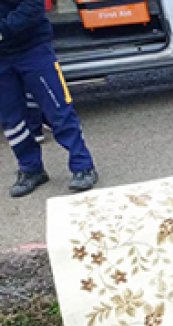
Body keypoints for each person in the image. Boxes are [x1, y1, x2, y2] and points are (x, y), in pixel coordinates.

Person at [1, 0, 98, 198]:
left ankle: (83, 167)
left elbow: (33, 6)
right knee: (12, 119)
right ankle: (31, 170)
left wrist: (3, 31)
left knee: (58, 109)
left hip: (33, 48)